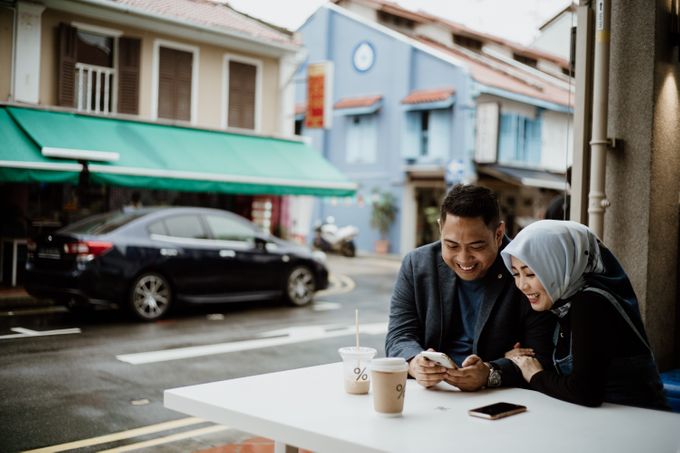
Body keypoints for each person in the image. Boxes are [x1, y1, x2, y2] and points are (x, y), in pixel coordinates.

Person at [385, 184, 555, 391]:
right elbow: (399, 335)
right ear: (440, 229)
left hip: (499, 397)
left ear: (499, 233)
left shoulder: (525, 270)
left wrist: (491, 372)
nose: (464, 259)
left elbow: (541, 354)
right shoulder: (416, 264)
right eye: (452, 245)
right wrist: (414, 363)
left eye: (477, 247)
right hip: (431, 392)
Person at [501, 220, 668, 409]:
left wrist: (534, 375)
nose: (522, 285)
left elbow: (585, 392)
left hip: (639, 420)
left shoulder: (590, 302)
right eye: (515, 273)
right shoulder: (563, 301)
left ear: (559, 264)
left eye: (530, 274)